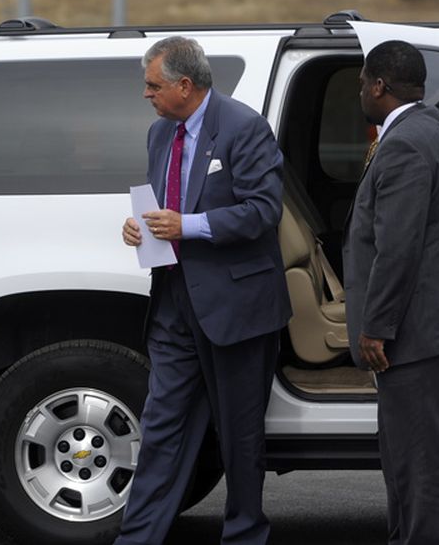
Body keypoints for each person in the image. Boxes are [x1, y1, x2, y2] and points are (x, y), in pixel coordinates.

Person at [119, 36, 291, 545]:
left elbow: (264, 211)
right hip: (173, 303)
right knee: (160, 429)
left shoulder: (243, 127)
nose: (146, 95)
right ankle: (138, 538)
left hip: (235, 309)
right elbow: (162, 207)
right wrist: (139, 230)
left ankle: (244, 534)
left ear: (184, 86)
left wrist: (187, 226)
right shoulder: (157, 134)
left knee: (240, 438)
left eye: (153, 86)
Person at [343, 40, 439, 545]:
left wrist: (377, 327)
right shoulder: (433, 126)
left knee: (420, 466)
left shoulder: (404, 143)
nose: (359, 90)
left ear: (380, 86)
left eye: (361, 82)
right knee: (405, 457)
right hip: (431, 326)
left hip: (414, 333)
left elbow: (397, 249)